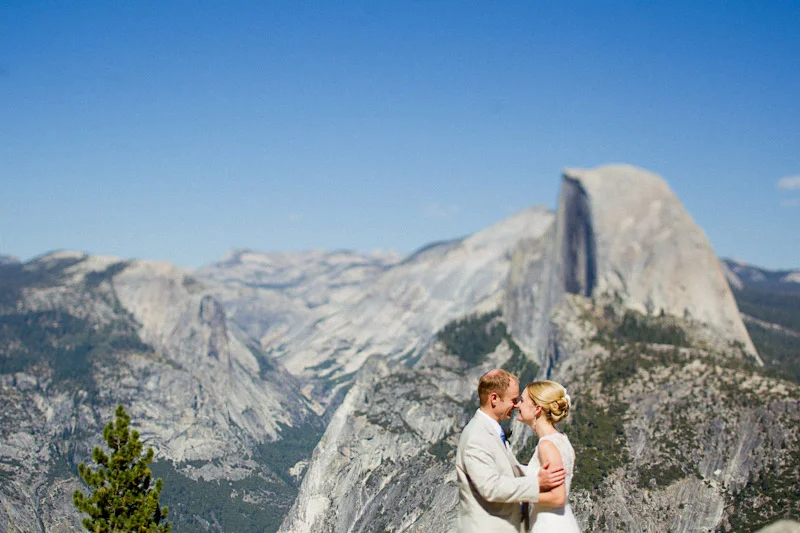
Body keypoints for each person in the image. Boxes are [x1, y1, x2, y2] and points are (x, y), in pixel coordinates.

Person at [456, 369, 566, 533]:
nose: (516, 406)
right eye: (513, 400)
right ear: (494, 398)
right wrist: (536, 483)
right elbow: (491, 487)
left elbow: (509, 470)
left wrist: (540, 473)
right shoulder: (476, 437)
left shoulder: (491, 431)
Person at [516, 380, 580, 532]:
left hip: (549, 525)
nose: (517, 405)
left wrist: (515, 493)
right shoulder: (561, 440)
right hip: (560, 520)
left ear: (537, 408)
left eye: (522, 401)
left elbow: (558, 497)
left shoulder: (547, 446)